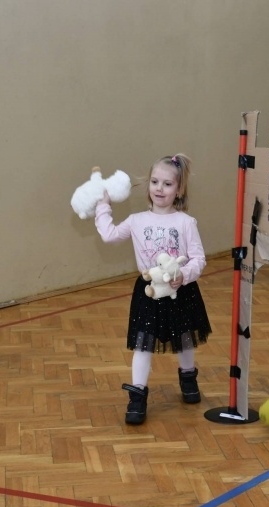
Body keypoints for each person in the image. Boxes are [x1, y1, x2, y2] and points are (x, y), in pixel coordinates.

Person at [95, 153, 211, 425]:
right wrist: (103, 206)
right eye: (155, 182)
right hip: (148, 293)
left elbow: (198, 259)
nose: (160, 188)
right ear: (148, 184)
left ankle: (188, 377)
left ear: (179, 189)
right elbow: (109, 235)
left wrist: (183, 275)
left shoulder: (186, 222)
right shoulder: (137, 220)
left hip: (180, 290)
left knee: (184, 337)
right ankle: (137, 397)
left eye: (168, 184)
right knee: (143, 344)